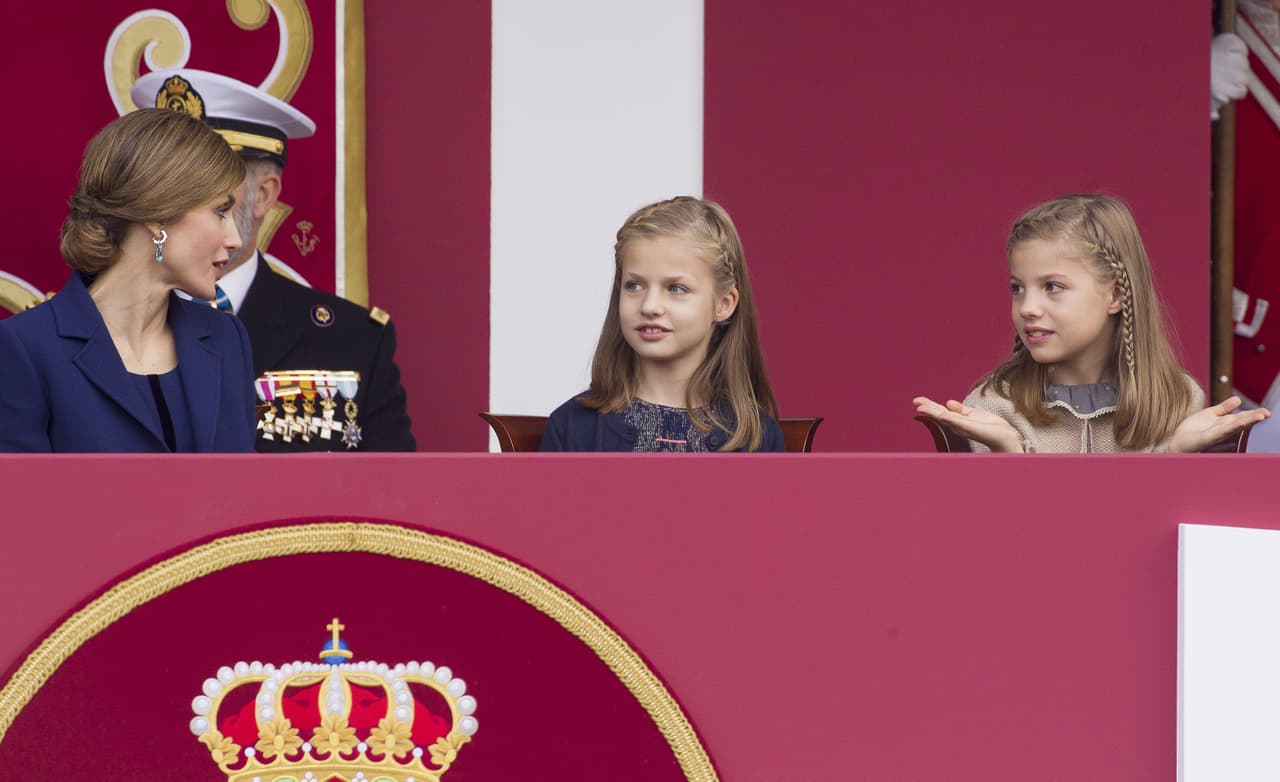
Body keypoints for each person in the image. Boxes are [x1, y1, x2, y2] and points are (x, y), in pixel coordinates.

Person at [130, 69, 416, 452]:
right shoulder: (92, 326)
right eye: (163, 178)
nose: (173, 199)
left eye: (204, 181)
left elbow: (388, 501)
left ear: (264, 195)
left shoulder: (353, 342)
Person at [913, 194, 1270, 453]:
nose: (1027, 307)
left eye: (1053, 287)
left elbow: (1157, 532)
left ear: (1114, 296)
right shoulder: (993, 406)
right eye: (1018, 288)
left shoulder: (1175, 403)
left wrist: (1176, 453)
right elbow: (989, 537)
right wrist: (1009, 453)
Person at [0, 109, 255, 452]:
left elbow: (245, 493)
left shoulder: (226, 339)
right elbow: (21, 501)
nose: (234, 239)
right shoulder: (25, 348)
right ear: (158, 213)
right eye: (220, 212)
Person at [540, 196, 784, 452]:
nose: (649, 306)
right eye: (634, 286)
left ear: (723, 304)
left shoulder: (759, 438)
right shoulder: (572, 427)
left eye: (676, 288)